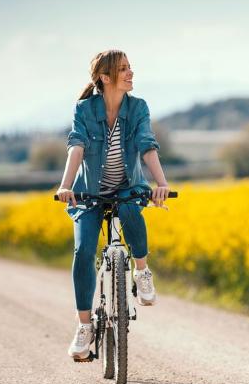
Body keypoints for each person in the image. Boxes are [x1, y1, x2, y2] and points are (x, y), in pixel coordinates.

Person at [56, 49, 170, 360]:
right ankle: (83, 328)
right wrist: (66, 186)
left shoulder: (138, 108)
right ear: (105, 78)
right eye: (123, 69)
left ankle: (142, 272)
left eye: (130, 67)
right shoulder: (85, 109)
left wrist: (161, 184)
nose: (131, 73)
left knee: (132, 209)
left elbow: (147, 146)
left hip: (125, 188)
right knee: (83, 250)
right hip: (88, 194)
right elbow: (76, 146)